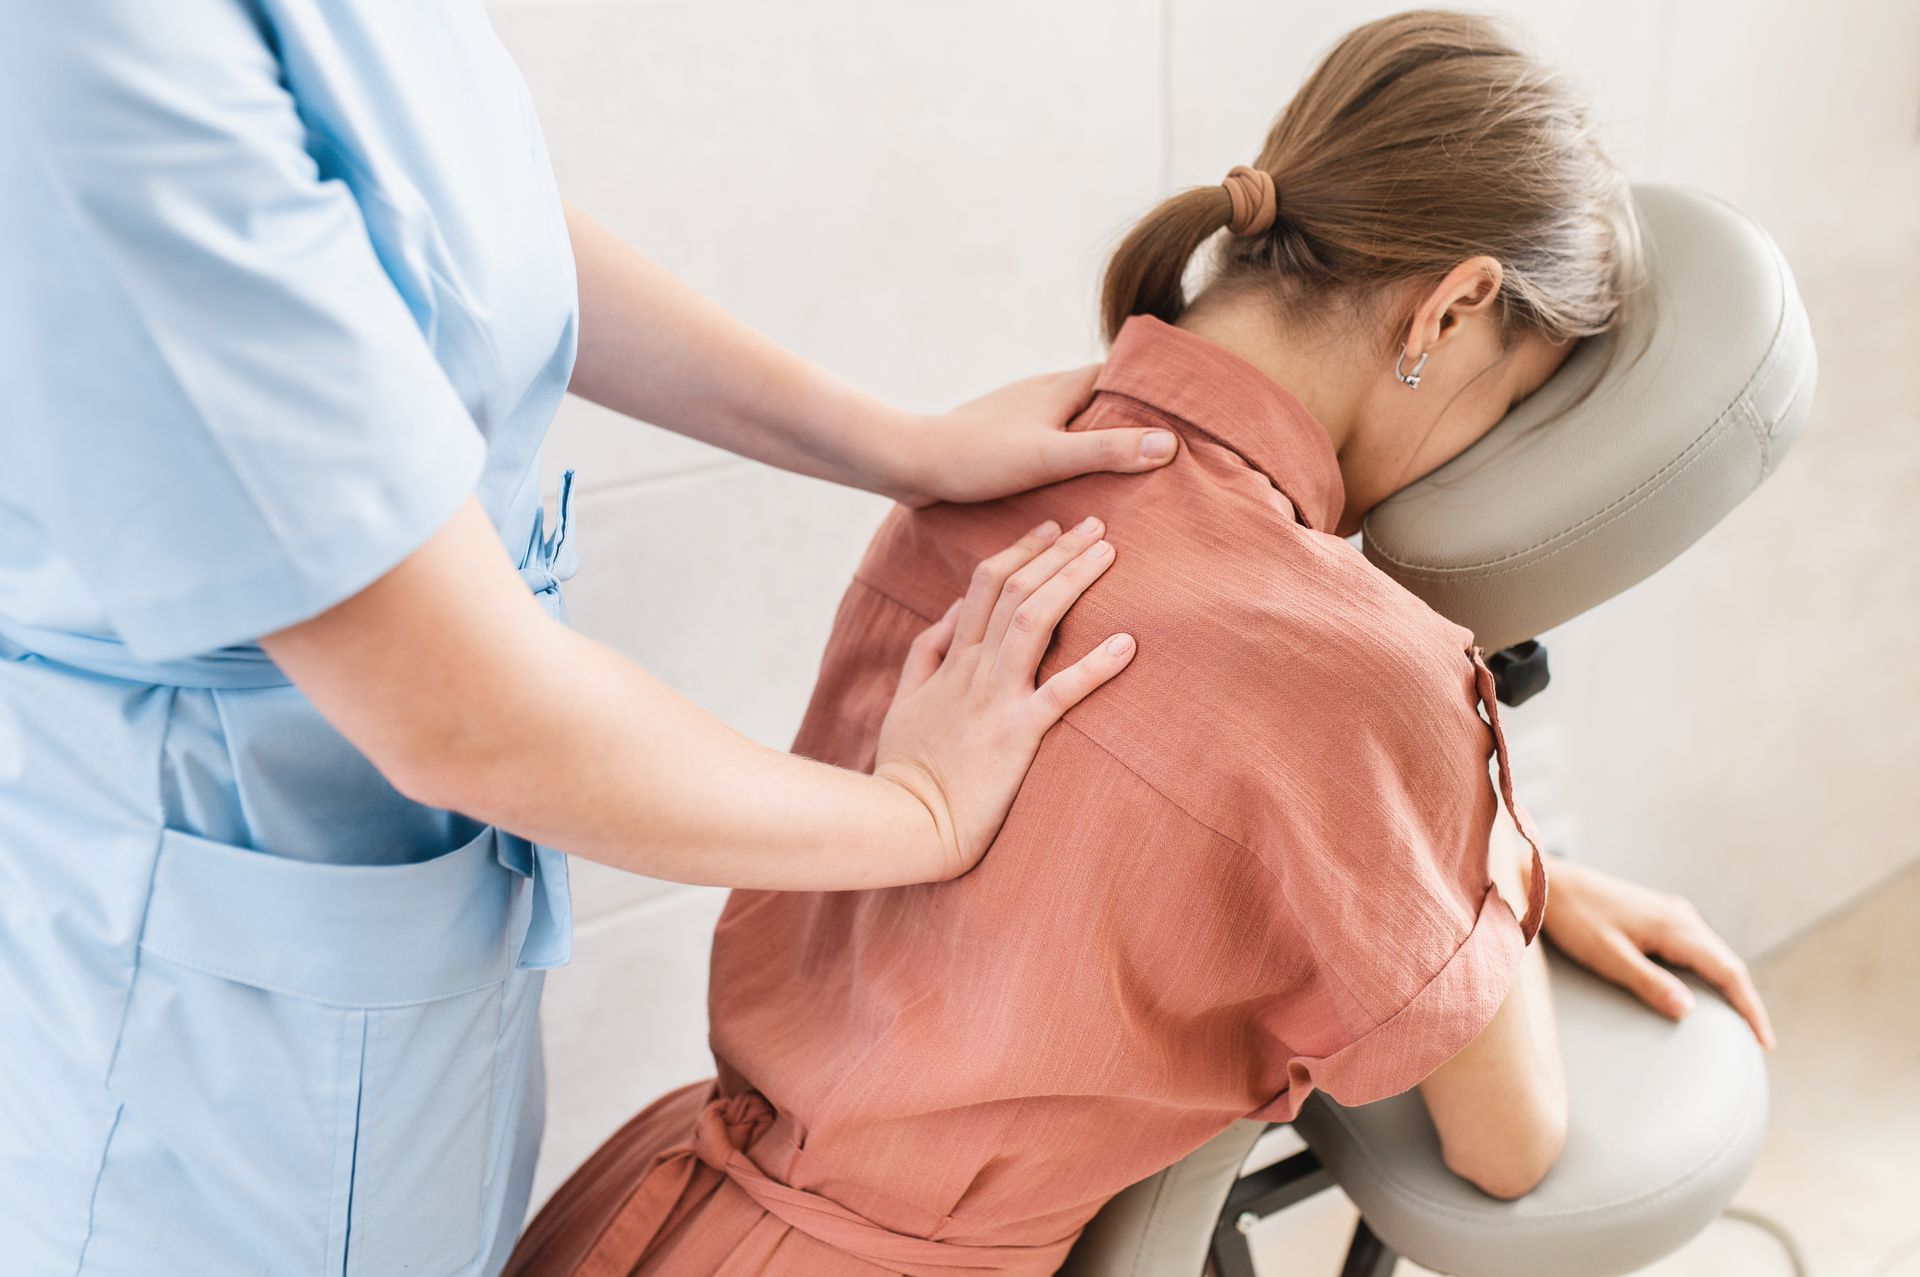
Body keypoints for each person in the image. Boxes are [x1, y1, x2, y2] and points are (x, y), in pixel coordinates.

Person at [510, 13, 1778, 1277]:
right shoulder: (1365, 673)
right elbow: (1512, 1141)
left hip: (639, 1213)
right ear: (1452, 310)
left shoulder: (1002, 457)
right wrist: (1479, 816)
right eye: (1509, 397)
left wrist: (1475, 849)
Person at [0, 4, 1181, 1274]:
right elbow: (459, 709)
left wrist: (899, 445)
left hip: (395, 916)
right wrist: (921, 813)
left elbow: (458, 235)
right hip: (208, 984)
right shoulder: (89, 48)